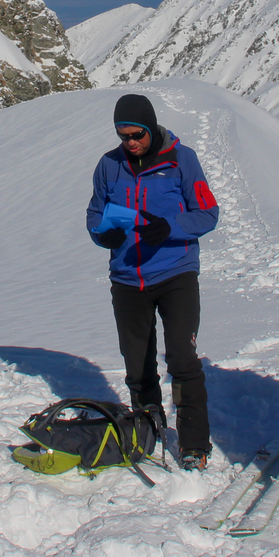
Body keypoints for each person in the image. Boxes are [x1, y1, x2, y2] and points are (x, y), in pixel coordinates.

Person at [86, 93, 221, 470]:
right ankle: (147, 429)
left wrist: (170, 227)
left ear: (150, 127)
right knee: (137, 362)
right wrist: (102, 234)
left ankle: (194, 444)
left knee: (182, 356)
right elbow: (95, 213)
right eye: (123, 136)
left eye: (137, 135)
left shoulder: (181, 160)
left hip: (176, 272)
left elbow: (208, 213)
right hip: (127, 278)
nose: (130, 143)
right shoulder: (109, 165)